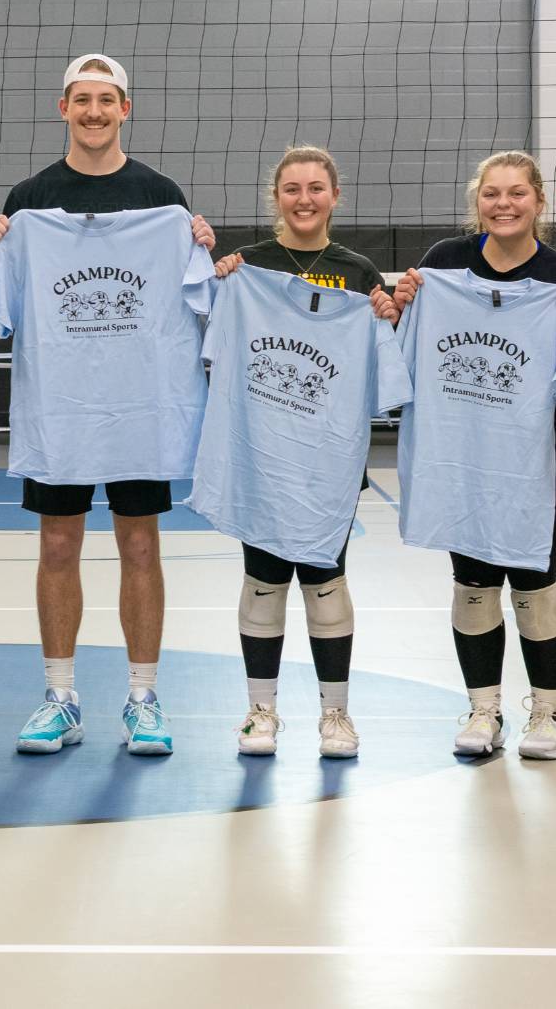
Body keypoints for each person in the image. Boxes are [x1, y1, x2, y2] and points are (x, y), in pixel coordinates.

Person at [0, 54, 215, 756]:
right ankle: (61, 696)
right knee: (58, 543)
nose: (93, 111)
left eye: (105, 100)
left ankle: (143, 697)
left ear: (125, 108)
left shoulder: (163, 200)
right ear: (63, 109)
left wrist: (201, 244)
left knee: (141, 542)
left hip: (140, 407)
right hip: (62, 410)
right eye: (81, 100)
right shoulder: (28, 201)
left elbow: (201, 294)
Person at [390, 151, 556, 760]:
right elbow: (403, 335)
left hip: (542, 454)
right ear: (476, 202)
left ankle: (549, 716)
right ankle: (484, 709)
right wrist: (401, 302)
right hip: (461, 452)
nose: (503, 204)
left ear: (538, 202)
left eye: (516, 194)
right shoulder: (442, 266)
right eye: (491, 194)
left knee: (534, 581)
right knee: (473, 583)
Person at [210, 146, 398, 757]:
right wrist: (220, 282)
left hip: (329, 462)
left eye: (316, 188)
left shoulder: (359, 271)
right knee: (263, 579)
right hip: (262, 454)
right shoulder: (249, 268)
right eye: (292, 189)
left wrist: (385, 313)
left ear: (334, 197)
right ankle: (259, 711)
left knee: (325, 577)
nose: (304, 199)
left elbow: (381, 362)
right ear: (277, 199)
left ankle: (335, 715)